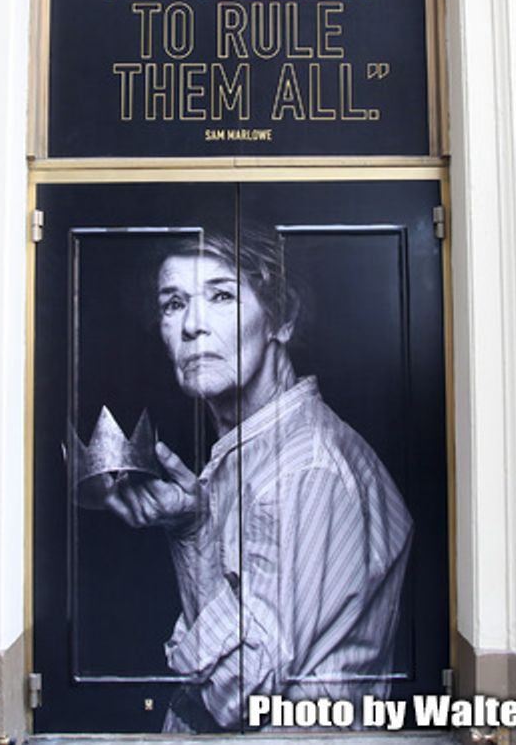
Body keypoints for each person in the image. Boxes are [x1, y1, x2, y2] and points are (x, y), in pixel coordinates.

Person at [102, 227, 413, 732]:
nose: (193, 326)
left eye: (221, 296)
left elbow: (240, 693)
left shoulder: (304, 468)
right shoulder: (253, 450)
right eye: (173, 304)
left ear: (281, 318)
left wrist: (191, 536)